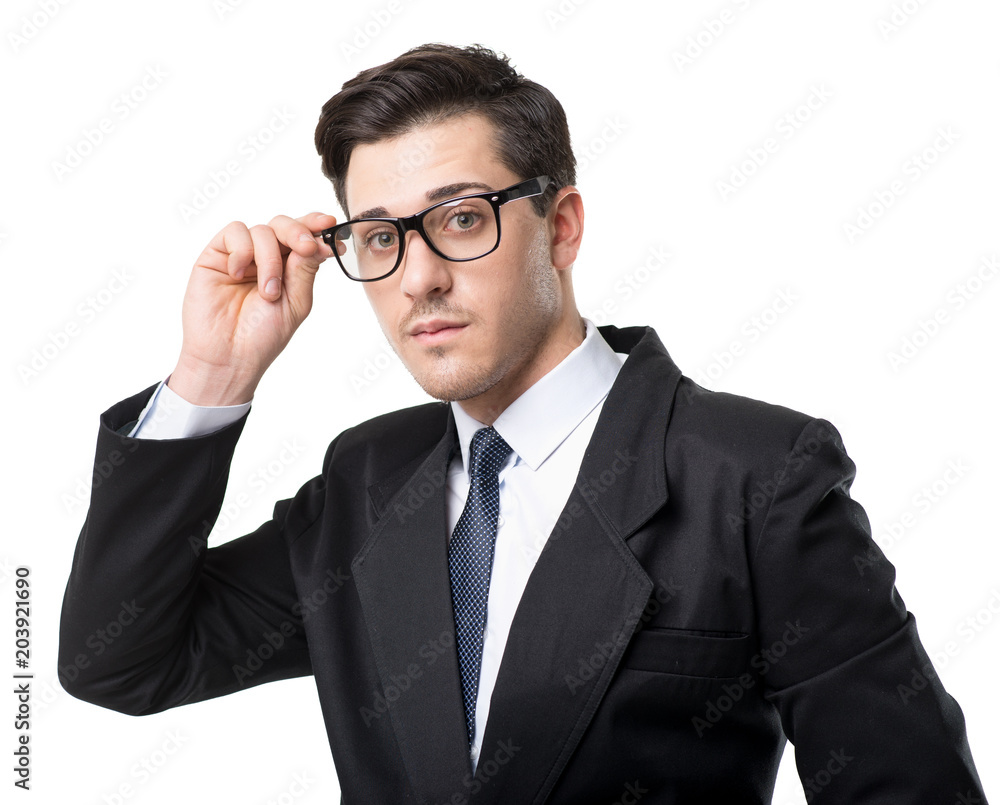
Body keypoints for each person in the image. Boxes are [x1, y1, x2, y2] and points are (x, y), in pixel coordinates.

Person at [59, 43, 986, 803]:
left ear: (562, 226)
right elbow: (124, 660)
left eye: (461, 219)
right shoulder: (366, 482)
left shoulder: (754, 475)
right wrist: (212, 375)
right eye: (380, 237)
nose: (418, 275)